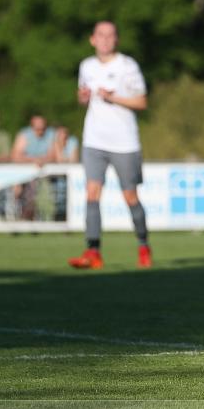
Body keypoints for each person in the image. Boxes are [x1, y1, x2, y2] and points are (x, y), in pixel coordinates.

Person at [68, 21, 151, 270]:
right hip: (94, 140)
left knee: (130, 197)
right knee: (92, 194)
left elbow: (142, 102)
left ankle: (143, 245)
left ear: (116, 39)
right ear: (92, 39)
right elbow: (83, 96)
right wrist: (82, 98)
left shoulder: (128, 66)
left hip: (124, 142)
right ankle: (93, 251)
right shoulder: (86, 66)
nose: (105, 40)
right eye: (100, 35)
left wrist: (112, 97)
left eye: (110, 35)